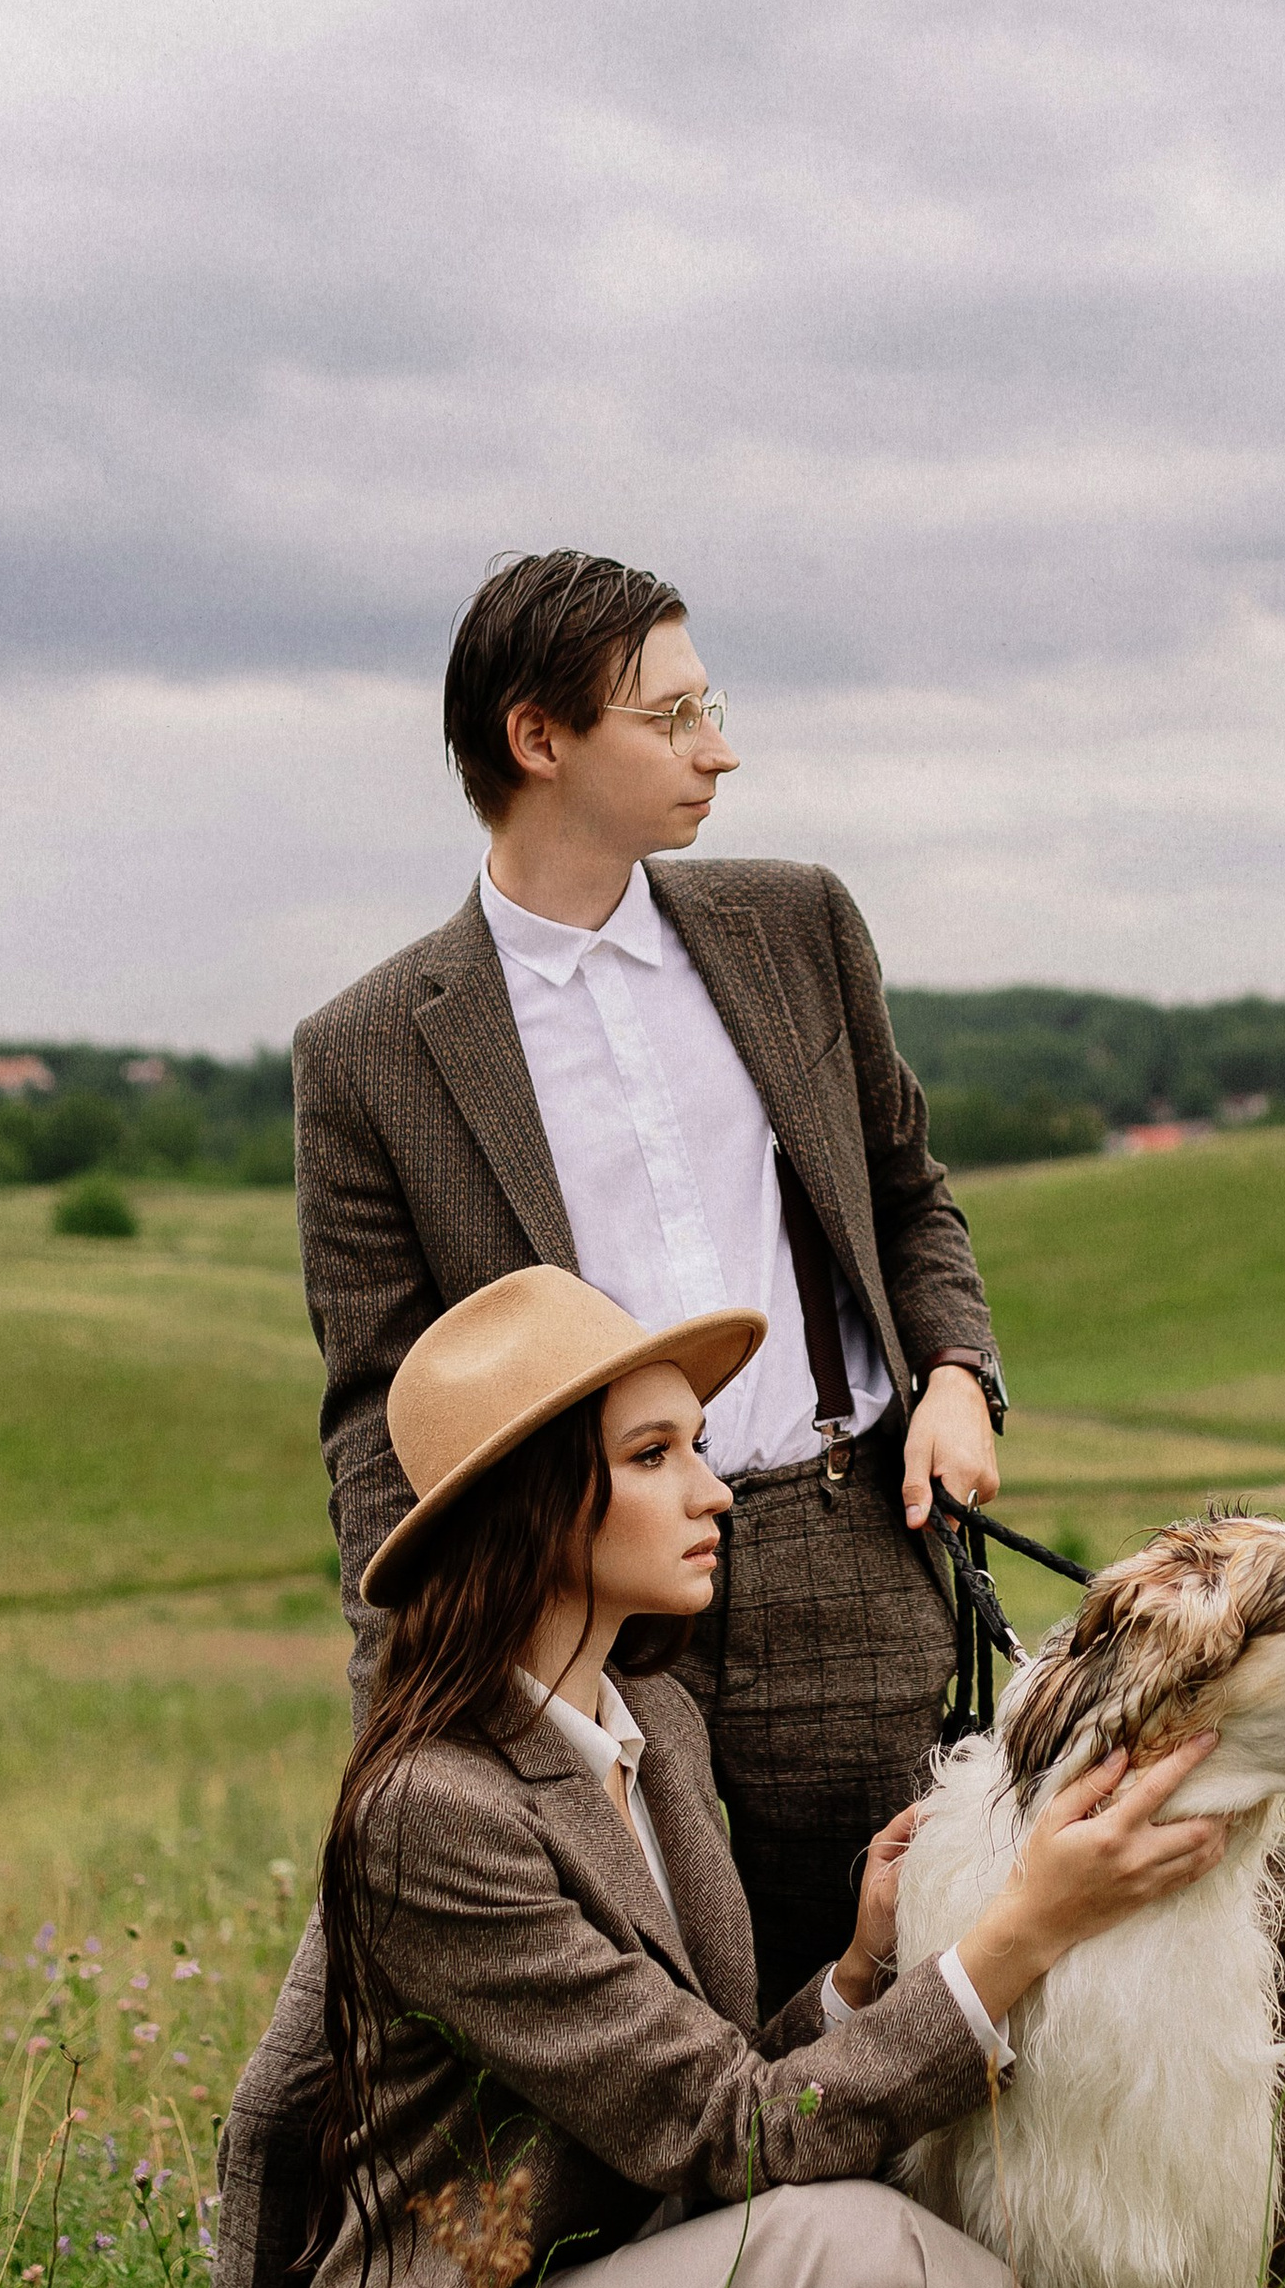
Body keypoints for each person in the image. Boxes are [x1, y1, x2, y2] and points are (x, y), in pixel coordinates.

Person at [186, 1267, 1228, 2288]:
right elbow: (732, 2132)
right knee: (872, 2251)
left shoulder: (655, 1732)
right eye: (654, 1455)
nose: (717, 1487)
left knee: (922, 2256)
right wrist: (1028, 1928)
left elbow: (700, 2078)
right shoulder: (431, 1813)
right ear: (537, 1504)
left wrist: (854, 1976)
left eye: (699, 1445)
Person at [293, 545, 1008, 2008]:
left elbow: (904, 1191)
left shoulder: (797, 923)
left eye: (711, 705)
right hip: (572, 1595)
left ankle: (891, 2256)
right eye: (670, 717)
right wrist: (411, 1697)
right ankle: (712, 2256)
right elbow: (380, 1411)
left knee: (895, 1989)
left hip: (845, 1553)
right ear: (538, 739)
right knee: (647, 2034)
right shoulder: (368, 1051)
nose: (719, 748)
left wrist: (956, 1373)